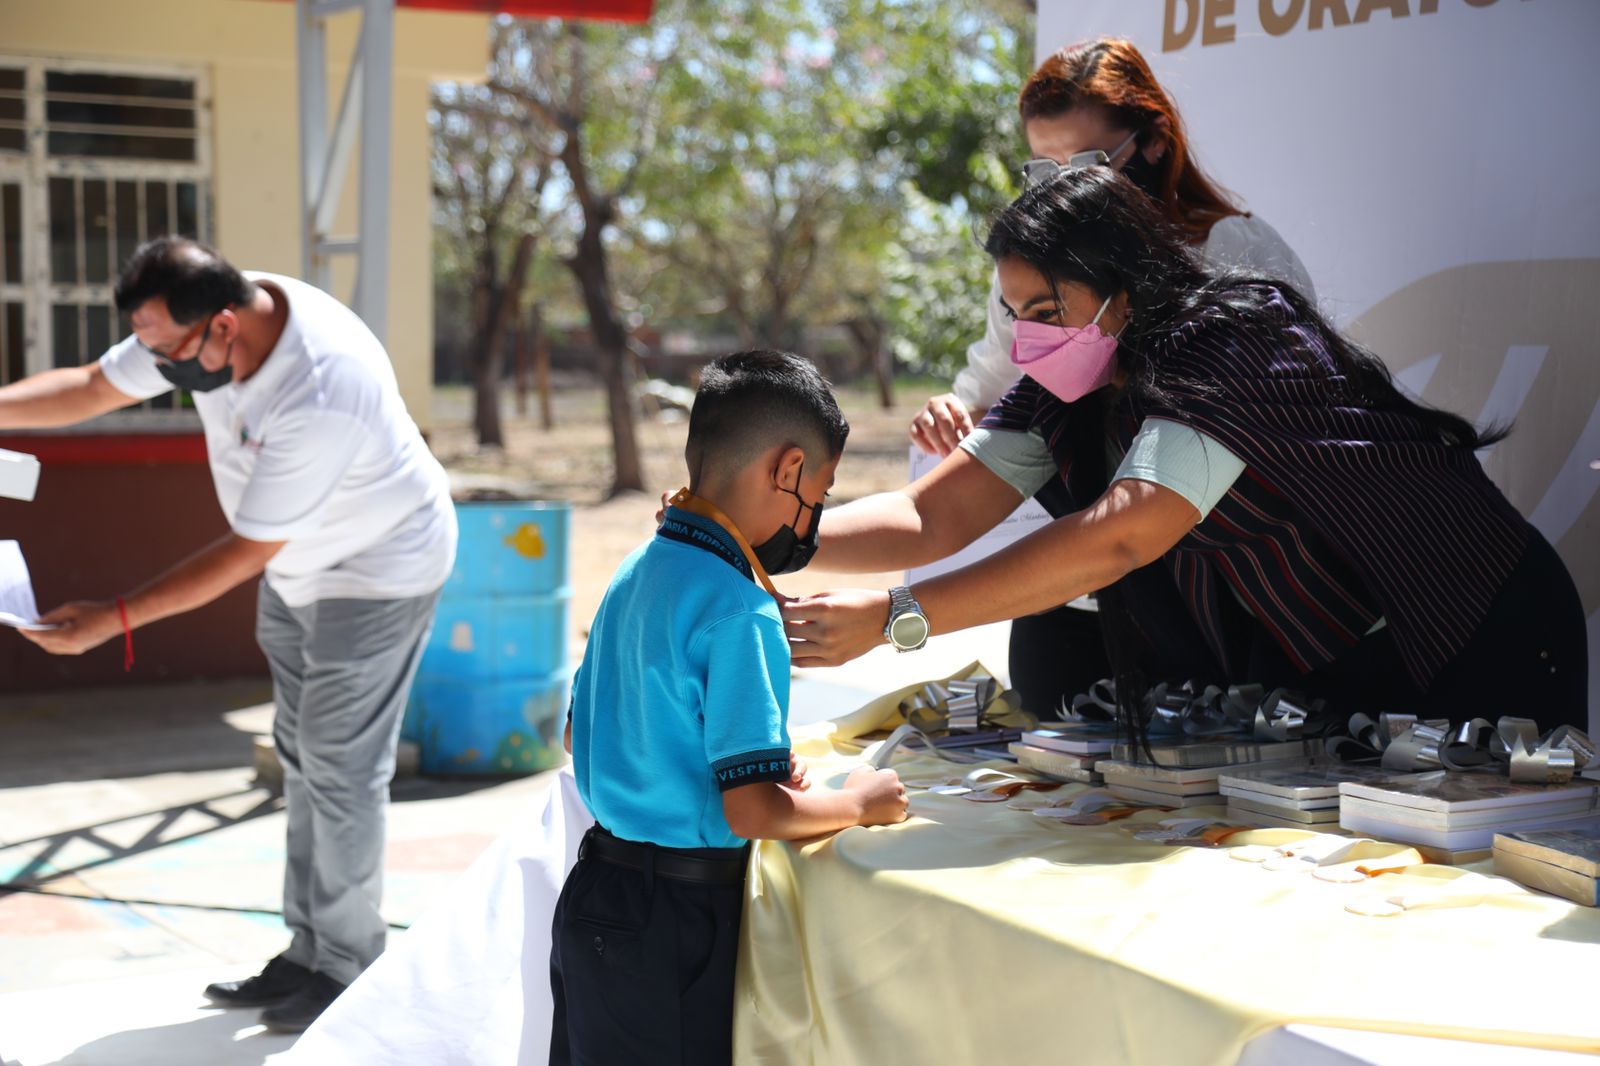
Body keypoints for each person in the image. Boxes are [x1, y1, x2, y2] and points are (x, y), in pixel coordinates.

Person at [783, 167, 1587, 734]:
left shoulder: (1235, 346)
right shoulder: (1072, 382)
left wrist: (898, 619)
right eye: (1015, 310)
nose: (1028, 336)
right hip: (1347, 648)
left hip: (1473, 625)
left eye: (1047, 307)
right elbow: (931, 514)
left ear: (1124, 286)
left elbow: (1118, 536)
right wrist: (768, 537)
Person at [0, 237, 457, 1032]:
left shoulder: (323, 385)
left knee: (341, 764)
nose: (154, 365)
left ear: (220, 326)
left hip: (377, 567)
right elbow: (87, 388)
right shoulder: (195, 333)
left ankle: (348, 969)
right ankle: (309, 950)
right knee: (301, 754)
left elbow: (245, 549)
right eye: (146, 344)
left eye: (164, 349)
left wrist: (114, 619)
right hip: (297, 566)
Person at [908, 37, 1315, 718]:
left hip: (1220, 591)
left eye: (1091, 163)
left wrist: (892, 617)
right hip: (1091, 586)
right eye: (1045, 172)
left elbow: (1131, 528)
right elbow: (946, 489)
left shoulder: (1240, 273)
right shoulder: (1038, 275)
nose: (1070, 191)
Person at [552, 350, 908, 1066]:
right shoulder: (741, 608)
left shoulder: (638, 568)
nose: (814, 519)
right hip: (677, 922)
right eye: (822, 490)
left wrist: (744, 772)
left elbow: (575, 735)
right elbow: (752, 814)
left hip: (593, 896)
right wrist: (861, 803)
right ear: (786, 471)